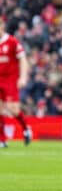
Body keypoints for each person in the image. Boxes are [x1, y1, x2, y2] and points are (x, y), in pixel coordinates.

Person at [0, 16, 31, 147]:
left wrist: (23, 77)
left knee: (14, 110)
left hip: (10, 79)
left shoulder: (12, 41)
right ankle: (2, 139)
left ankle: (26, 129)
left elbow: (23, 59)